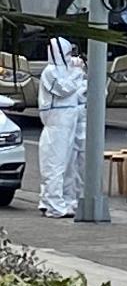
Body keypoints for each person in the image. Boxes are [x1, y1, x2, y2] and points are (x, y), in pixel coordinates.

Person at [37, 37, 85, 218]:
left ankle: (65, 199)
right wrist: (77, 74)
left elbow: (78, 91)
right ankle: (53, 203)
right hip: (56, 121)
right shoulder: (50, 72)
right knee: (55, 164)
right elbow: (63, 89)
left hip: (69, 120)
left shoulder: (68, 70)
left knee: (69, 163)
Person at [63, 47, 88, 216]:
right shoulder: (67, 77)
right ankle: (70, 198)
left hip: (84, 126)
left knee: (83, 165)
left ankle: (82, 198)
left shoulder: (86, 79)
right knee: (70, 166)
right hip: (72, 126)